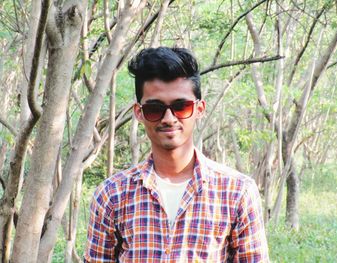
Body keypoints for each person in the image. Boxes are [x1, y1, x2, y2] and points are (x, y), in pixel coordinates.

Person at [84, 47, 269, 262]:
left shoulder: (237, 192)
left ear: (199, 109)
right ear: (139, 112)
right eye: (155, 108)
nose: (169, 118)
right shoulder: (112, 195)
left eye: (181, 107)